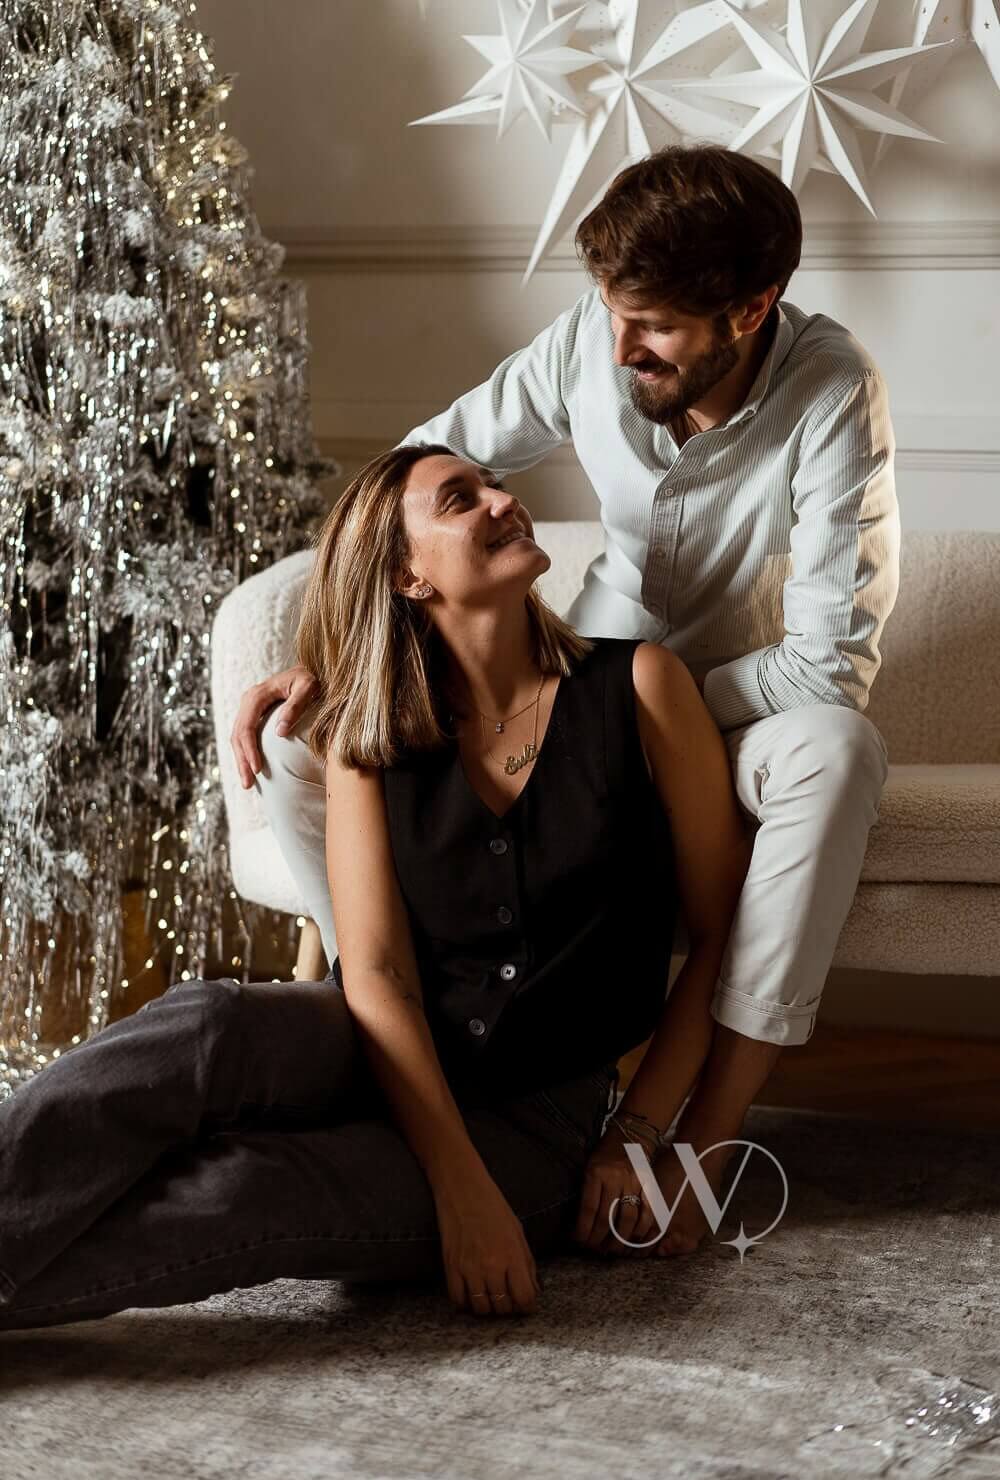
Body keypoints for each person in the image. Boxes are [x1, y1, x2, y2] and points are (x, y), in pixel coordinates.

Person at [231, 145, 898, 1243]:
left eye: (655, 328)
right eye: (610, 313)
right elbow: (411, 478)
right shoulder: (595, 338)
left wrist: (647, 706)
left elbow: (826, 663)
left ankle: (706, 1140)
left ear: (750, 309)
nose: (619, 345)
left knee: (838, 748)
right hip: (573, 682)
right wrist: (340, 644)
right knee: (313, 738)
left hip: (740, 707)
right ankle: (388, 1027)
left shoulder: (832, 389)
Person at [0, 441, 752, 1331]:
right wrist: (454, 1181)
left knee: (249, 1187)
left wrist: (636, 1134)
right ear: (406, 574)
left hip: (541, 1121)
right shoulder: (371, 728)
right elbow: (379, 974)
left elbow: (720, 935)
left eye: (496, 487)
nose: (502, 503)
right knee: (208, 1025)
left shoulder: (641, 686)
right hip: (384, 1046)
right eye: (461, 500)